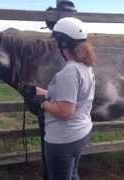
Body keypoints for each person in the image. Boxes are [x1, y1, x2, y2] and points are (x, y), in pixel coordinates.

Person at [36, 17, 97, 180]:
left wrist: (43, 103)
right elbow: (75, 96)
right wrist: (44, 93)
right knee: (72, 174)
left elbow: (65, 111)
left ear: (63, 44)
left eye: (57, 42)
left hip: (63, 140)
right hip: (80, 133)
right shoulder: (85, 66)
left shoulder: (68, 72)